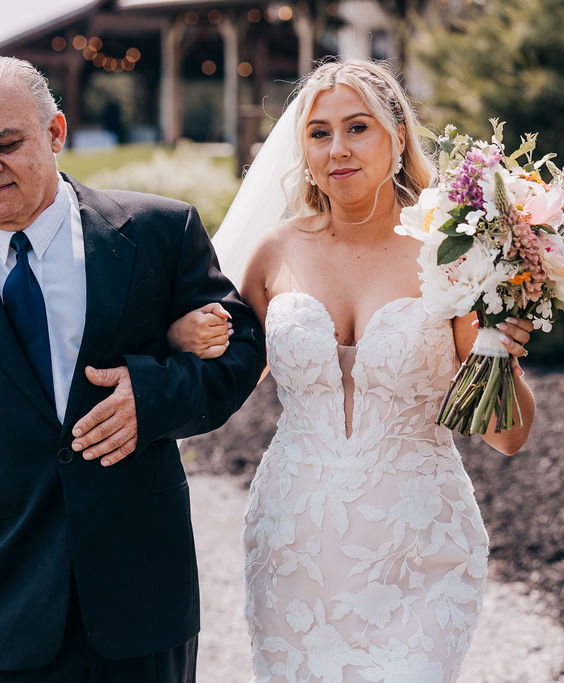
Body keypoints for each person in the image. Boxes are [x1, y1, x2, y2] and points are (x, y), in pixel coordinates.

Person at [0, 55, 265, 682]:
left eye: (5, 143)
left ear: (55, 133)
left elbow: (241, 349)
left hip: (142, 595)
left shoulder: (160, 230)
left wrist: (152, 396)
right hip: (4, 602)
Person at [169, 59, 536, 681]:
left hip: (420, 543)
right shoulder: (273, 253)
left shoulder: (454, 256)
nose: (337, 149)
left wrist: (497, 349)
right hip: (293, 543)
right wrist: (183, 334)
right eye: (319, 133)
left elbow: (507, 437)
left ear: (396, 136)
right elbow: (224, 377)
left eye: (357, 127)